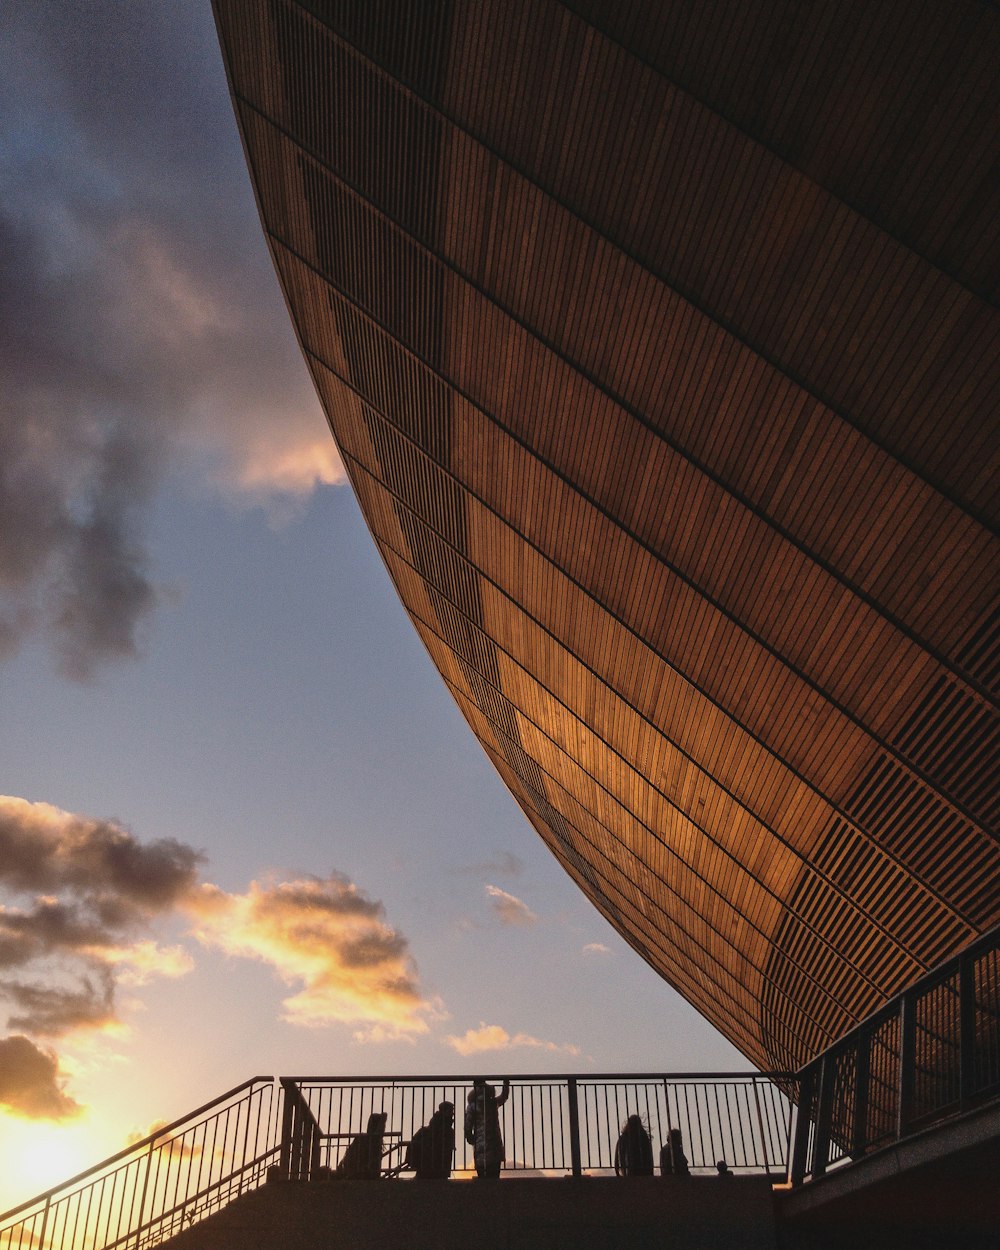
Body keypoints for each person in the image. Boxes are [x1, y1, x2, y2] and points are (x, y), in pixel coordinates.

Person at [464, 1079, 510, 1178]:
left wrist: (469, 1136)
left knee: (482, 1174)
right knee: (494, 1174)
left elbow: (468, 1124)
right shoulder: (492, 1102)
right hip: (494, 1142)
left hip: (480, 1142)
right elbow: (504, 1097)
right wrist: (506, 1084)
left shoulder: (472, 1106)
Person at [407, 1101, 455, 1179]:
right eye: (451, 1111)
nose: (452, 1114)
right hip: (438, 1170)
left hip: (425, 1169)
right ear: (445, 1111)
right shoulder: (448, 1131)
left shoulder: (426, 1130)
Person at [335, 1111, 387, 1178]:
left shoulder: (373, 1141)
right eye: (383, 1126)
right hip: (359, 1174)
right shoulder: (364, 1140)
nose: (384, 1129)